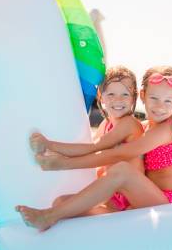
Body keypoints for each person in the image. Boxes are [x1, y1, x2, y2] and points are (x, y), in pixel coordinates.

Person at [16, 66, 172, 231]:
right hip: (144, 197)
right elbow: (96, 148)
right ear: (142, 95)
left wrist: (63, 163)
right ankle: (58, 213)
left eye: (168, 101)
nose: (159, 106)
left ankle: (48, 216)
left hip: (171, 203)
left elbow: (120, 154)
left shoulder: (169, 129)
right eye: (154, 98)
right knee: (61, 202)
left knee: (122, 169)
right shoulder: (146, 127)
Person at [30, 65, 144, 213]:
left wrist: (49, 144)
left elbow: (93, 148)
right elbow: (88, 151)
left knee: (65, 210)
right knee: (59, 202)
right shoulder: (106, 125)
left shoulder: (129, 124)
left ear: (134, 98)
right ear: (101, 96)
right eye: (111, 94)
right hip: (110, 196)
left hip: (128, 198)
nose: (118, 100)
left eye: (125, 95)